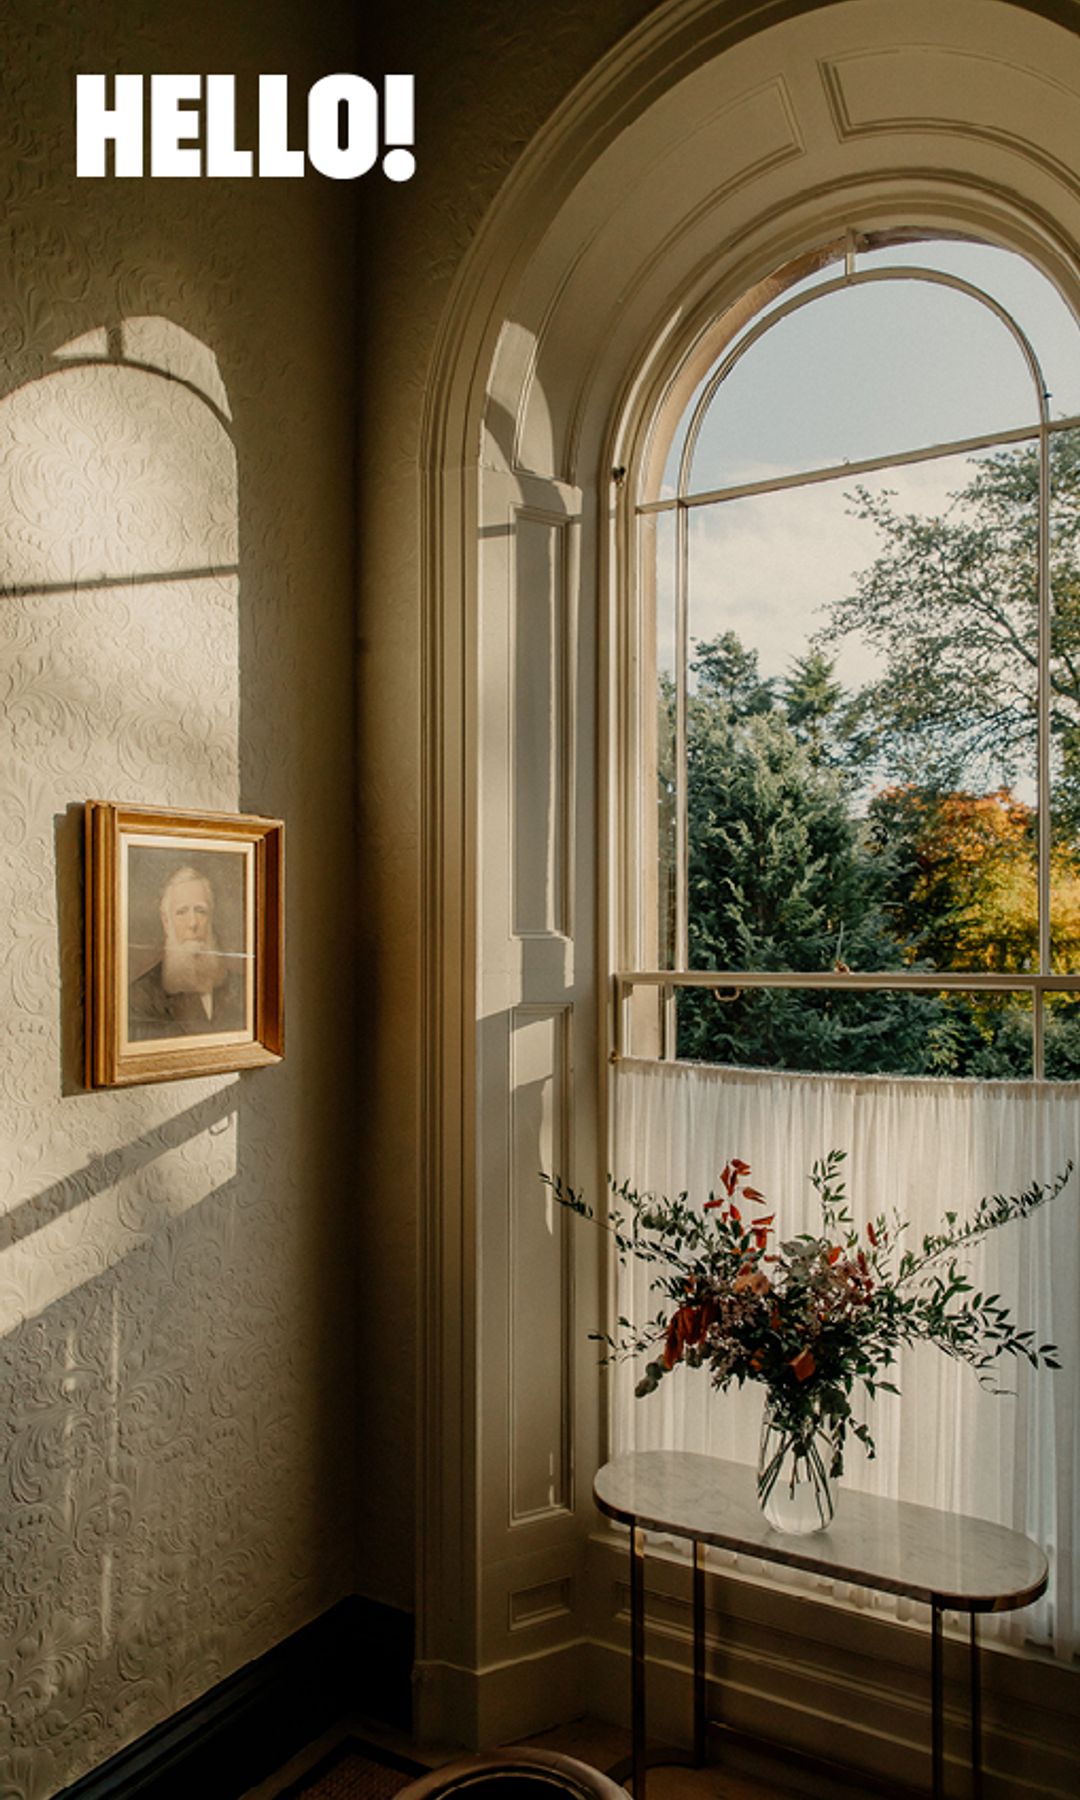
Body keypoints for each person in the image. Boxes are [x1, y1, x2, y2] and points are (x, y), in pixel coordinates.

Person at [128, 864, 247, 1040]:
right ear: (166, 922)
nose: (192, 923)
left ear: (211, 918)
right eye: (181, 912)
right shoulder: (140, 996)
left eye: (200, 911)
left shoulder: (242, 989)